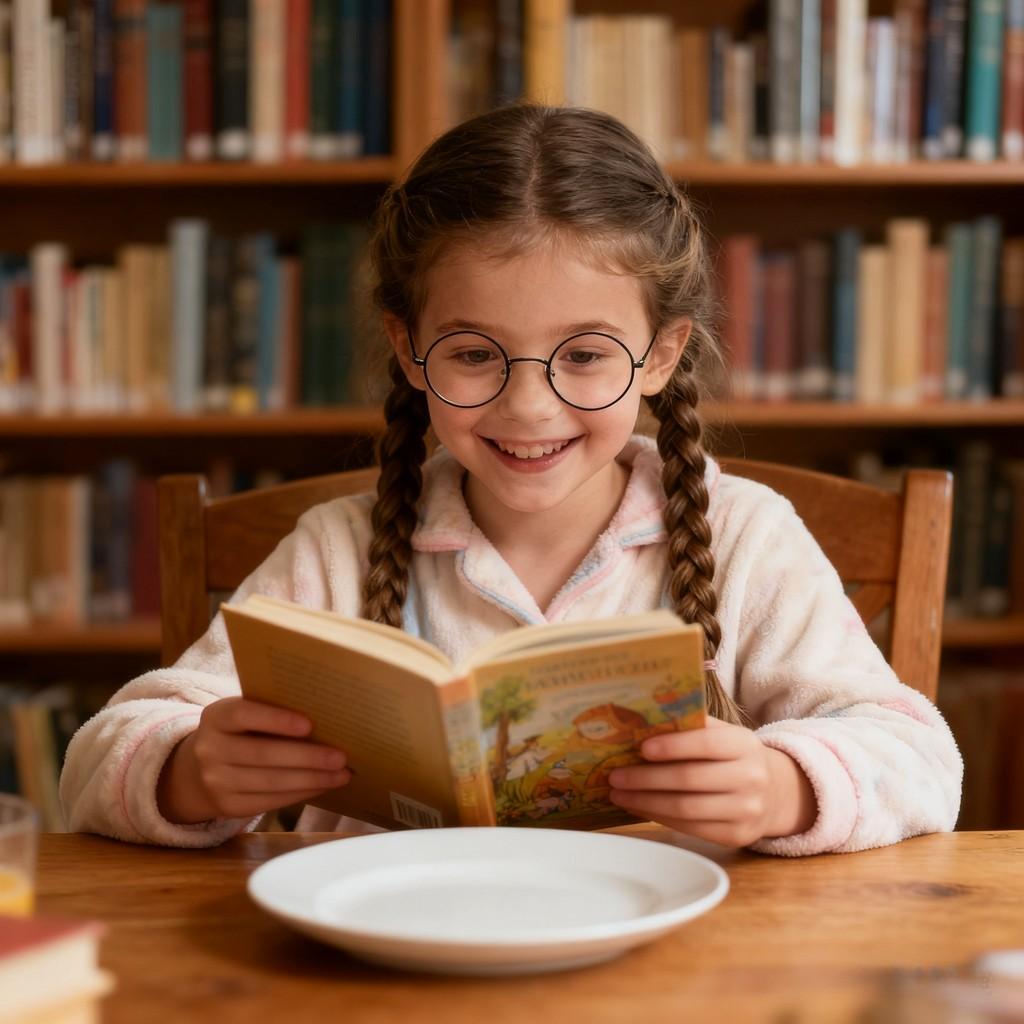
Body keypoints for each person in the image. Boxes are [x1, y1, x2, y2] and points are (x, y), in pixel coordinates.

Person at [60, 105, 962, 855]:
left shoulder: (747, 535)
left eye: (584, 355)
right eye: (472, 354)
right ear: (409, 350)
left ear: (663, 354)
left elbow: (918, 755)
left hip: (661, 969)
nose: (530, 408)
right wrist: (188, 771)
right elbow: (98, 761)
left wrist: (782, 787)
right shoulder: (339, 548)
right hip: (387, 965)